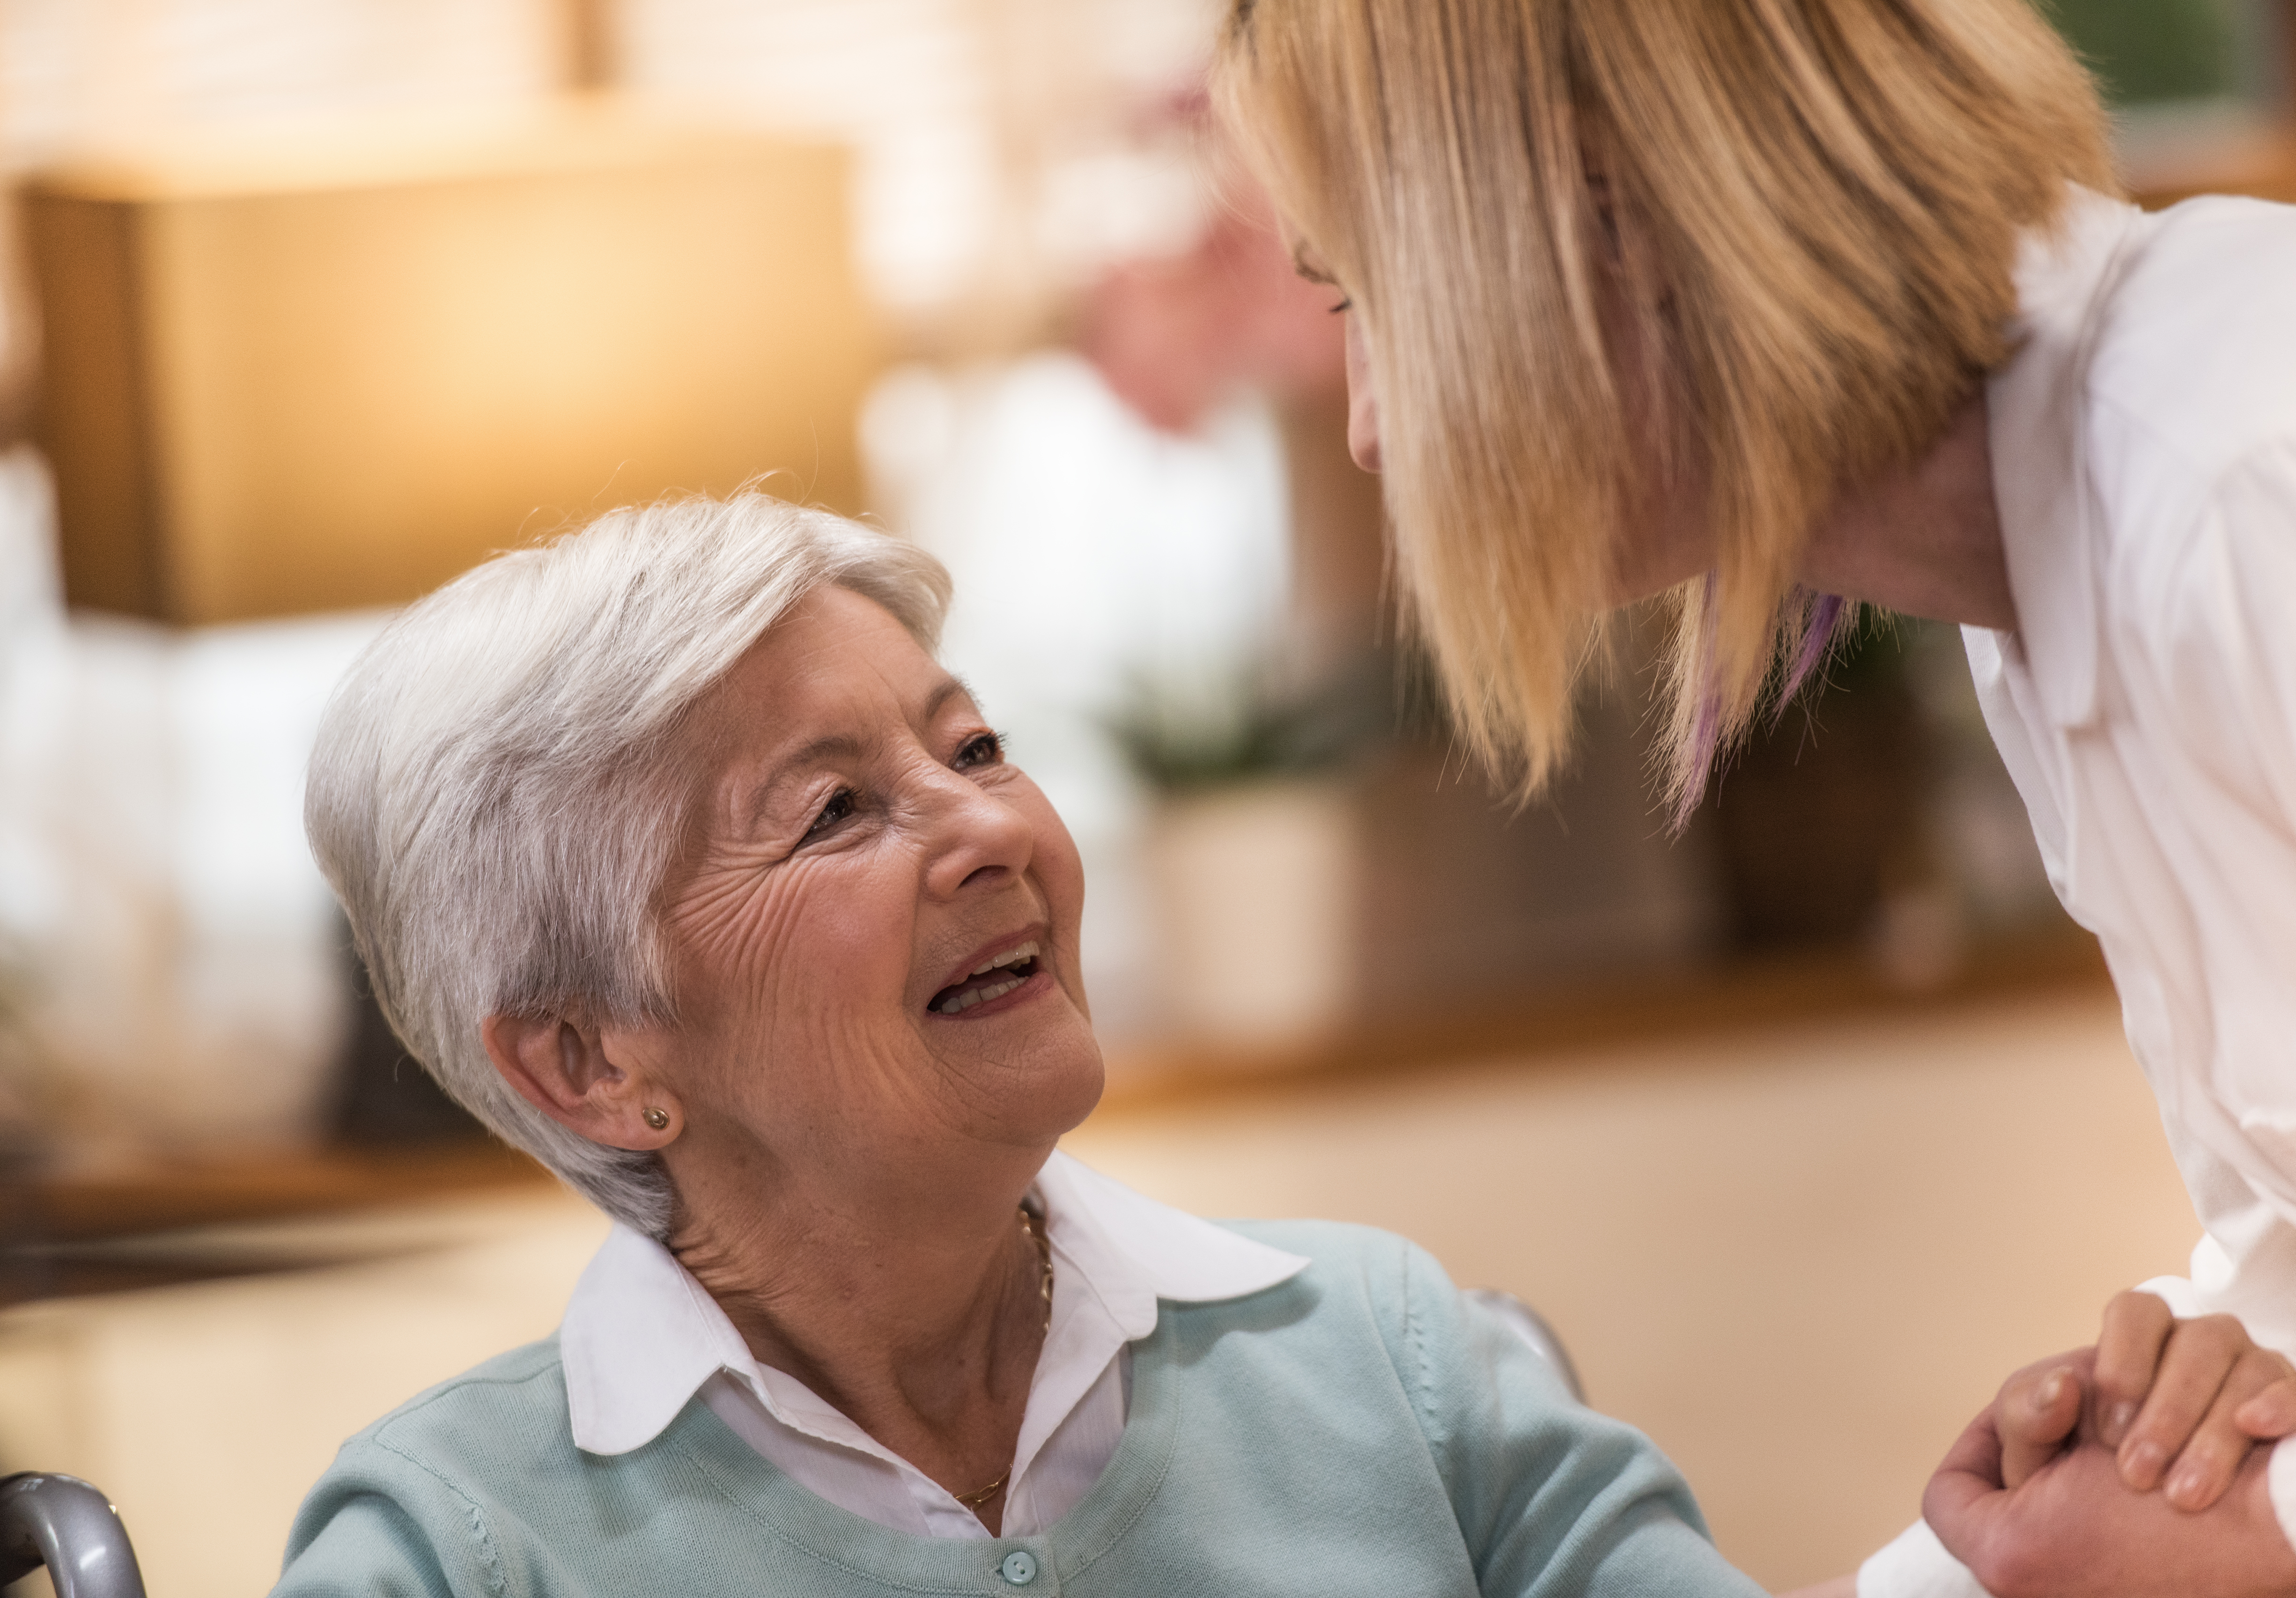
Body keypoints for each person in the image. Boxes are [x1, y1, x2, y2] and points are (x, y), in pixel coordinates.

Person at [1211, 2, 2296, 1596]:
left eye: (1366, 293)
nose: (1363, 426)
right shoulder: (2053, 591)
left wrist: (2269, 1533)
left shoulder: (2258, 486)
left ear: (1602, 219)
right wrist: (2177, 1440)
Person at [279, 492, 1787, 1598]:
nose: (992, 830)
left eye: (972, 748)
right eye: (833, 813)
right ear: (589, 1064)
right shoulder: (453, 1552)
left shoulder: (1382, 1355)